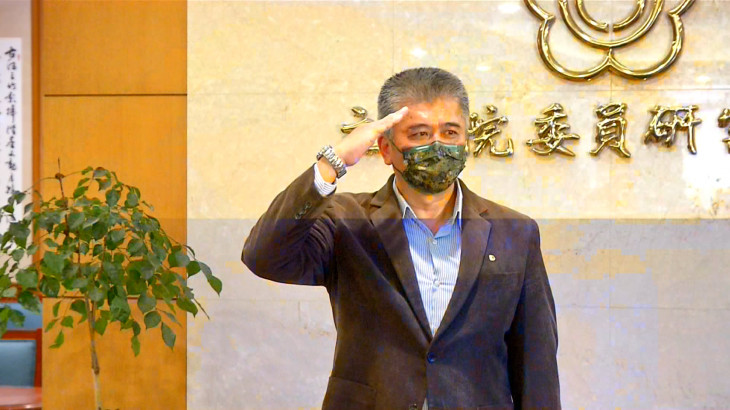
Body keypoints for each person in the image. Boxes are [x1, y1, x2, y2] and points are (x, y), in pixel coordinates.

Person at [242, 67, 560, 409]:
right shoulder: (348, 222)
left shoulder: (514, 231)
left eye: (450, 132)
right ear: (387, 148)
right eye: (420, 134)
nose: (437, 145)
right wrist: (331, 164)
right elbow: (265, 257)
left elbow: (536, 362)